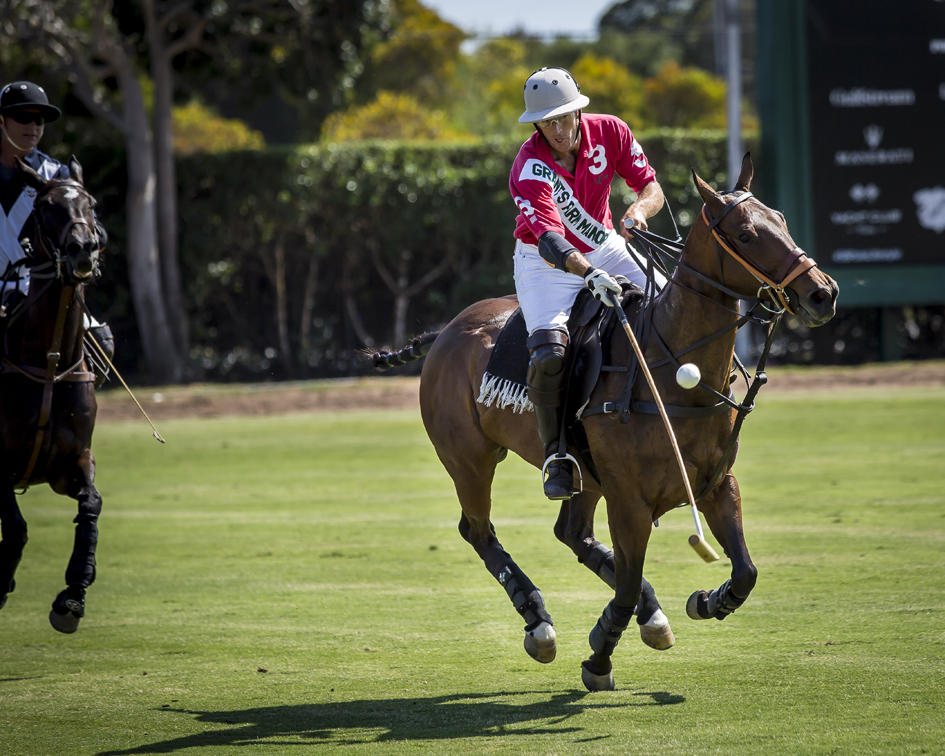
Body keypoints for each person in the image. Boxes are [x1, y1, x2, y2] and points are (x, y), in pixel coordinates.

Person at [509, 67, 666, 500]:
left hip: (606, 244)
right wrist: (589, 274)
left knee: (671, 303)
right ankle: (557, 454)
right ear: (536, 123)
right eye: (547, 122)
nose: (558, 130)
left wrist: (638, 213)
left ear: (579, 110)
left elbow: (650, 186)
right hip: (547, 264)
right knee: (549, 351)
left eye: (564, 117)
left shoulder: (611, 131)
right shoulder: (528, 166)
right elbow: (550, 239)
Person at [0, 80, 113, 386]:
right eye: (23, 117)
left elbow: (95, 230)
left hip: (42, 287)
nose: (33, 127)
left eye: (39, 120)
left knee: (102, 344)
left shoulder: (58, 175)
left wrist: (89, 238)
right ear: (2, 120)